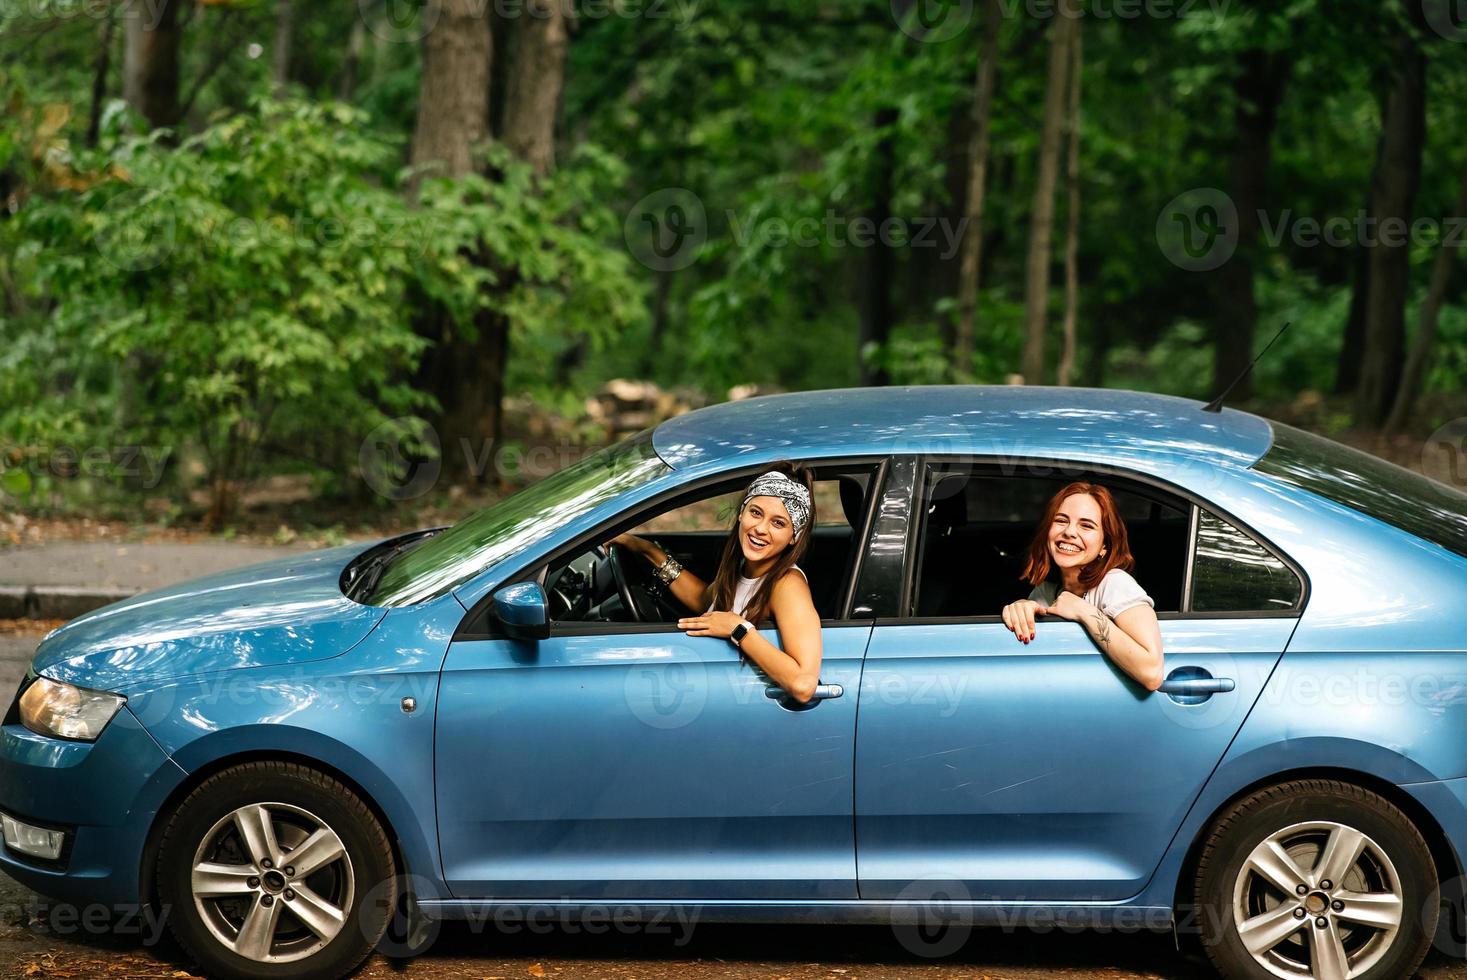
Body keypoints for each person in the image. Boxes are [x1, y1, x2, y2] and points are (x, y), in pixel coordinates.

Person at [607, 463, 823, 703]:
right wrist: (647, 550)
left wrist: (738, 629)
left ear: (795, 536)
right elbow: (704, 600)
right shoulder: (744, 566)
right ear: (742, 512)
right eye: (756, 513)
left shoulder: (787, 585)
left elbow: (804, 685)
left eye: (778, 523)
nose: (761, 529)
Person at [1000, 482, 1165, 692]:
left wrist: (1084, 612)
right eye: (1061, 521)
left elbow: (1151, 673)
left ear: (1105, 546)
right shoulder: (1046, 590)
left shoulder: (1115, 583)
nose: (1069, 532)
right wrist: (1020, 608)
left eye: (1086, 526)